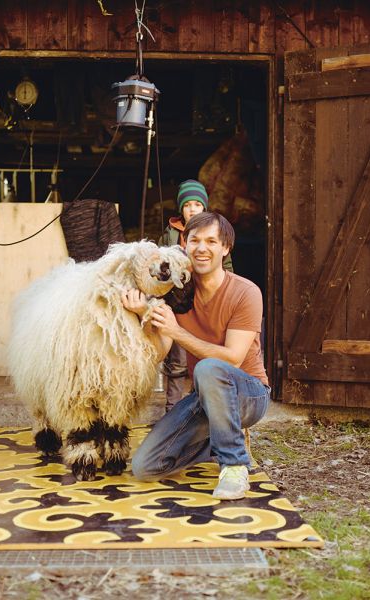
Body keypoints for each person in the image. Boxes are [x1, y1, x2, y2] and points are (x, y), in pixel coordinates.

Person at [122, 211, 270, 500]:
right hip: (205, 396)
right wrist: (146, 314)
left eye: (211, 241)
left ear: (225, 248)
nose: (202, 248)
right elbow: (159, 354)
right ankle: (221, 438)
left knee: (208, 369)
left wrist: (178, 333)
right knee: (145, 467)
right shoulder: (177, 294)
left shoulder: (245, 292)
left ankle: (234, 465)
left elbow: (232, 359)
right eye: (195, 240)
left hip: (249, 393)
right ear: (184, 244)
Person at [157, 179, 233, 412]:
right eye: (188, 204)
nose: (192, 209)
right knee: (177, 357)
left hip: (205, 302)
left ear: (205, 208)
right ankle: (173, 408)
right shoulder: (169, 235)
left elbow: (226, 267)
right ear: (181, 208)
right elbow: (159, 266)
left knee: (203, 354)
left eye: (197, 205)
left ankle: (200, 405)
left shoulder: (214, 233)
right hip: (178, 304)